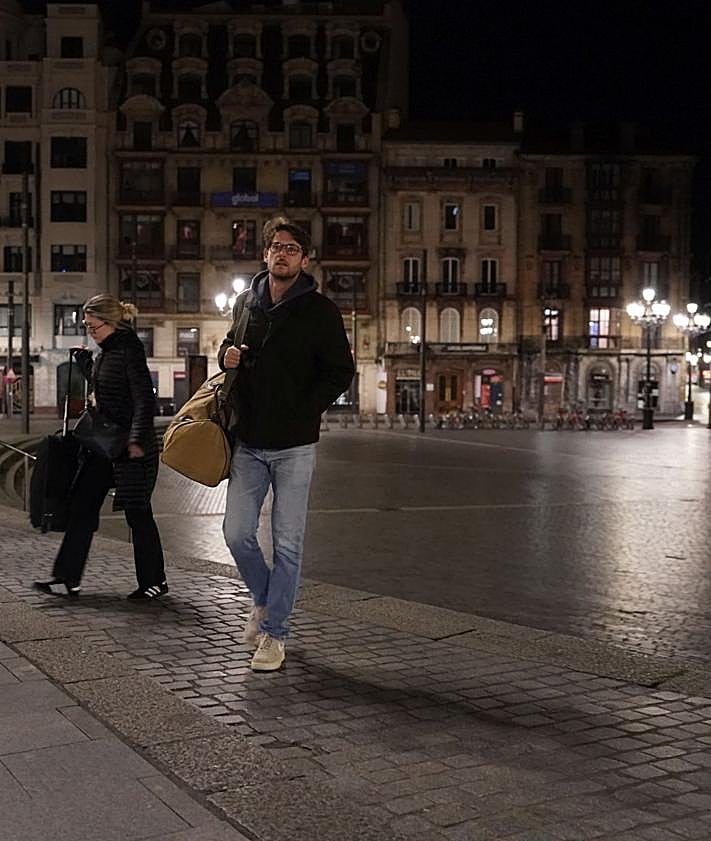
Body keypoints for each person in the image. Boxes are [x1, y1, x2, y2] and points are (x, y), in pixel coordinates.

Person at [219, 218, 354, 671]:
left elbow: (341, 371)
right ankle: (264, 600)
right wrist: (225, 355)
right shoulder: (246, 302)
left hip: (295, 445)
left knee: (288, 544)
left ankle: (274, 634)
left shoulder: (320, 311)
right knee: (236, 533)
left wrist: (306, 408)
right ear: (265, 254)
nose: (282, 253)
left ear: (305, 259)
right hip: (249, 440)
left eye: (292, 248)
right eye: (276, 246)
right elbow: (228, 348)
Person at [34, 294, 167, 600]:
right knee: (82, 507)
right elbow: (107, 391)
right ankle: (66, 579)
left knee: (138, 514)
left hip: (132, 449)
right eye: (87, 326)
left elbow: (144, 400)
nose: (90, 332)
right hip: (105, 445)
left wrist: (136, 440)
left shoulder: (130, 350)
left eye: (93, 326)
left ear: (111, 323)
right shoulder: (106, 351)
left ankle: (154, 581)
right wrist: (87, 367)